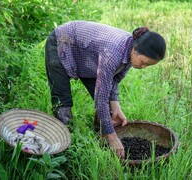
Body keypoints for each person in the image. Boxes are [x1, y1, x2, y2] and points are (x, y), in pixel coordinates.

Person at [45, 20, 166, 159]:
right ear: (135, 49)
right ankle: (65, 150)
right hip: (62, 41)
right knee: (62, 103)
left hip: (86, 53)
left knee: (108, 107)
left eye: (148, 65)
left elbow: (114, 80)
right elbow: (101, 98)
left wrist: (116, 107)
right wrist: (113, 136)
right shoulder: (113, 53)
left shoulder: (130, 51)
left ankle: (100, 139)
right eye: (144, 62)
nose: (143, 67)